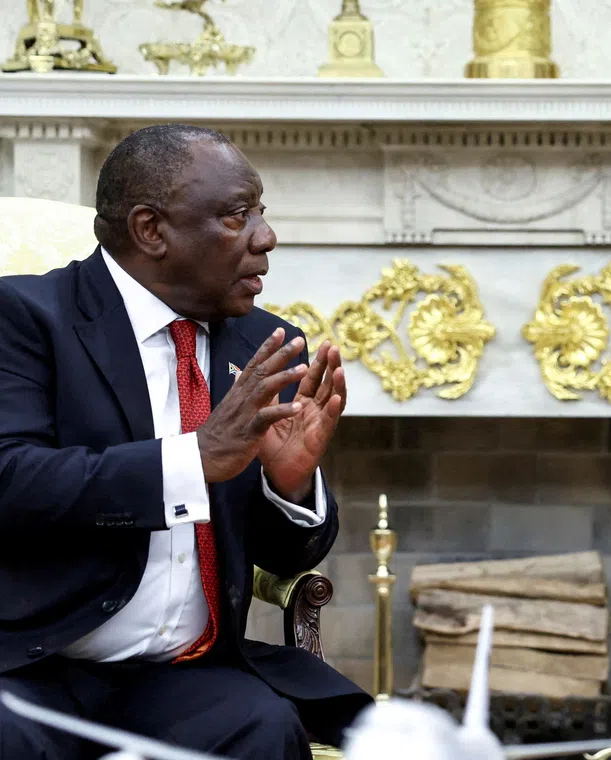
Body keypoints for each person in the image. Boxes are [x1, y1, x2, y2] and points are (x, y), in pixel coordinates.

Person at [0, 124, 373, 758]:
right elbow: (12, 479)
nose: (266, 237)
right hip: (31, 662)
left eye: (260, 212)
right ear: (152, 230)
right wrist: (193, 461)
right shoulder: (27, 318)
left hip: (183, 675)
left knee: (264, 729)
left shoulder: (266, 345)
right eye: (236, 216)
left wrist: (288, 484)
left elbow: (284, 559)